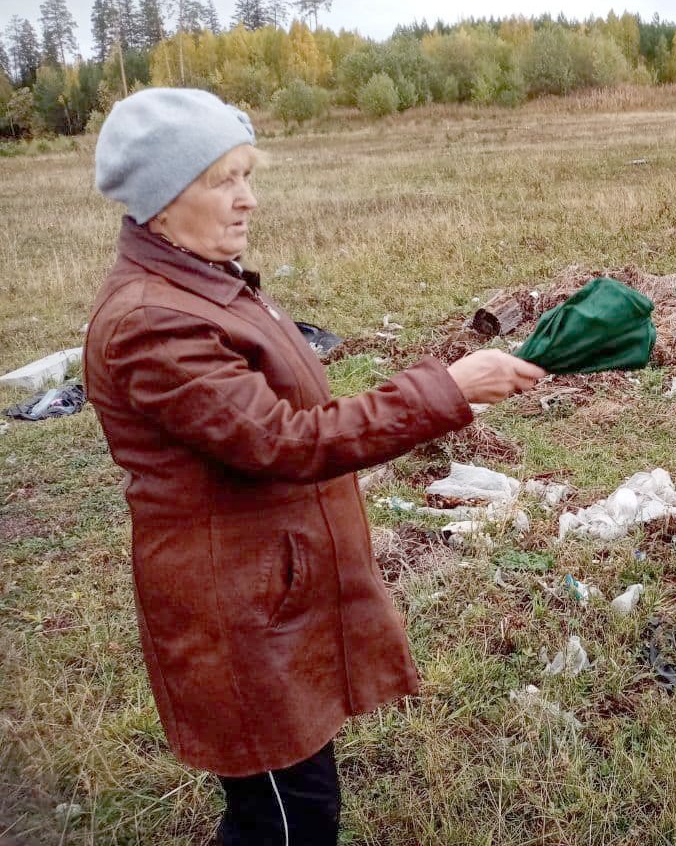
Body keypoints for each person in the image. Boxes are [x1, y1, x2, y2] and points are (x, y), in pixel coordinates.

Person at [83, 87, 545, 845]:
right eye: (224, 179)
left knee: (290, 805)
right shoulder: (152, 320)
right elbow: (287, 442)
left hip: (266, 589)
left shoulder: (201, 283)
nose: (248, 201)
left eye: (248, 176)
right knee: (288, 820)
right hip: (235, 615)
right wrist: (448, 389)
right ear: (163, 198)